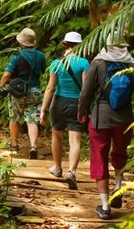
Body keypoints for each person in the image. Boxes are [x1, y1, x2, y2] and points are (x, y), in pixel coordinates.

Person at [77, 32, 134, 219]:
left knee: (99, 156)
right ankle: (118, 187)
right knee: (120, 152)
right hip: (125, 118)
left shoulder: (98, 62)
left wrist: (82, 111)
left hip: (100, 117)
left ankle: (105, 206)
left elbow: (86, 92)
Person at [40, 32, 89, 190]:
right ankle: (72, 172)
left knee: (57, 135)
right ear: (80, 45)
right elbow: (85, 89)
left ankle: (57, 167)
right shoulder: (84, 63)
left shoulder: (56, 63)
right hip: (76, 104)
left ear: (64, 44)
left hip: (58, 102)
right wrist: (85, 107)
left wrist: (43, 110)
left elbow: (50, 88)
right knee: (75, 140)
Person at [0, 28, 46, 159]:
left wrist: (1, 86)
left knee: (14, 118)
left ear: (21, 43)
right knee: (32, 120)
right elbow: (42, 72)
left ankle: (14, 144)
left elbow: (7, 74)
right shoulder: (40, 56)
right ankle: (33, 146)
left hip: (17, 92)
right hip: (35, 91)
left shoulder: (16, 57)